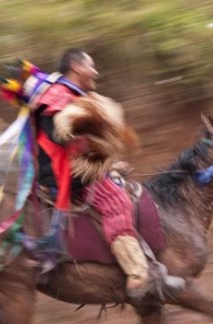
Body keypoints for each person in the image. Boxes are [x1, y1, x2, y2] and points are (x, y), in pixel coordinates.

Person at [22, 48, 184, 300]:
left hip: (67, 169)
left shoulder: (65, 95)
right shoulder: (59, 97)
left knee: (124, 187)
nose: (95, 72)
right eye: (92, 66)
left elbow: (79, 143)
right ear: (77, 68)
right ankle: (137, 276)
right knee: (116, 202)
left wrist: (109, 165)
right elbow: (64, 142)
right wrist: (100, 163)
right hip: (62, 175)